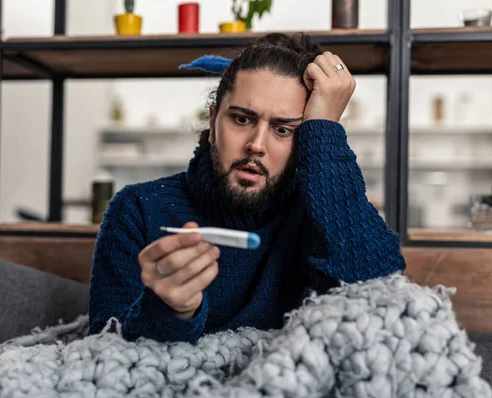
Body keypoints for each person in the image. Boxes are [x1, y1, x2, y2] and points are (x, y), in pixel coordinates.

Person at [88, 32, 406, 343]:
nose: (256, 145)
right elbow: (104, 351)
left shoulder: (317, 216)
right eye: (242, 120)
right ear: (213, 123)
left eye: (283, 129)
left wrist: (324, 131)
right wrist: (173, 312)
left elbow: (381, 303)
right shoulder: (137, 209)